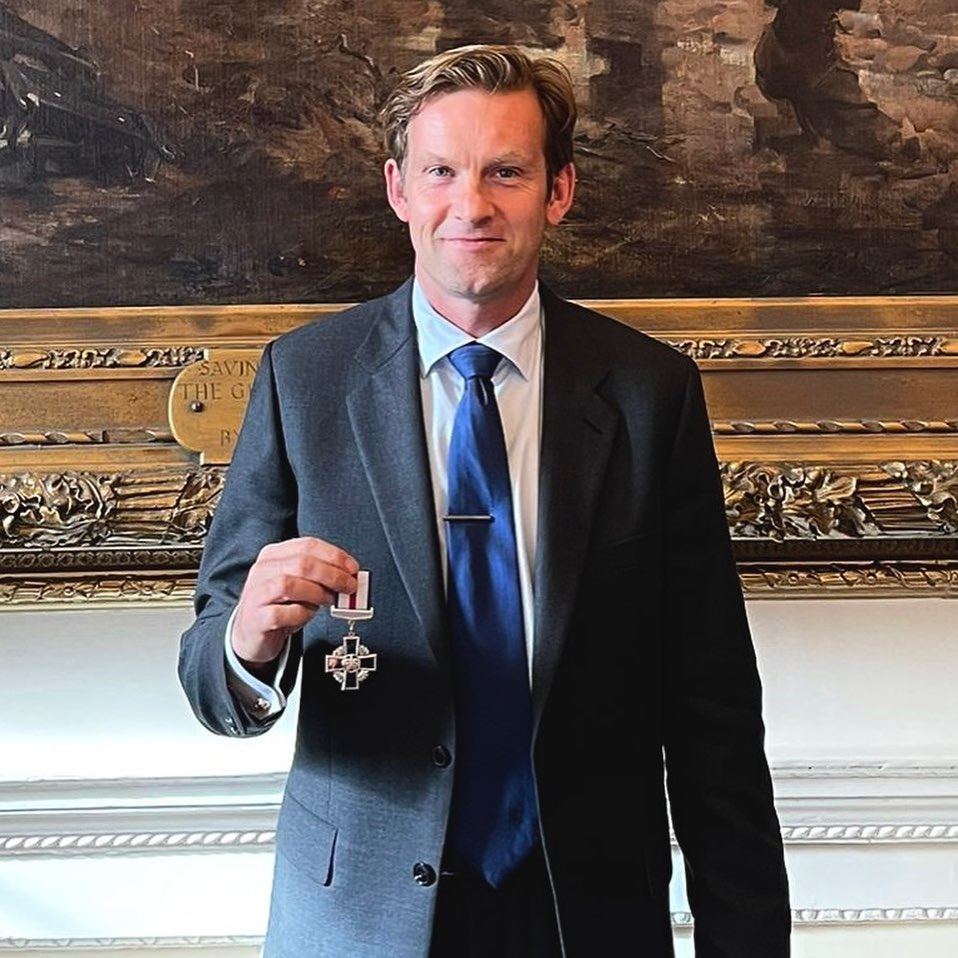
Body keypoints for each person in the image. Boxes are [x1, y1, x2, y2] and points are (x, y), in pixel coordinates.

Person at [178, 44, 790, 958]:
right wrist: (248, 640)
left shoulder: (648, 392)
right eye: (441, 172)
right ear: (398, 189)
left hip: (588, 912)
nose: (471, 205)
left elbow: (715, 710)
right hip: (360, 915)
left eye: (506, 171)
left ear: (559, 190)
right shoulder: (305, 379)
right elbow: (209, 672)